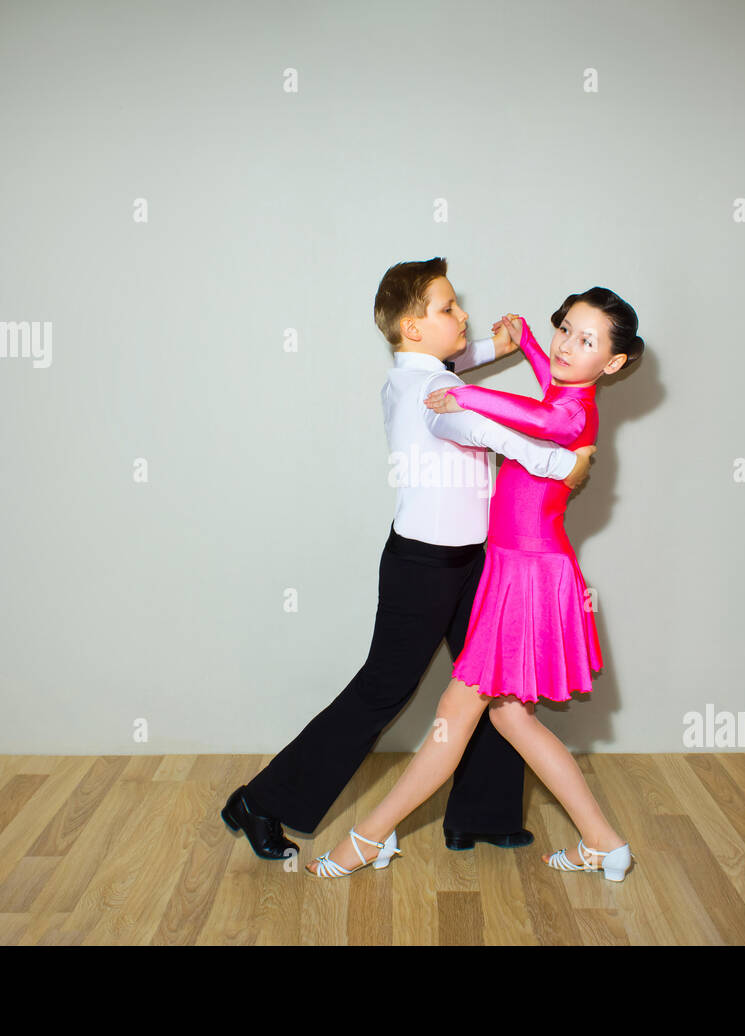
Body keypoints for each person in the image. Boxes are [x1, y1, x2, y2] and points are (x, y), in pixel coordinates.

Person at [222, 257, 596, 860]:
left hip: (471, 560)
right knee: (382, 691)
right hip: (423, 567)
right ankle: (262, 801)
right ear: (415, 328)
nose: (463, 314)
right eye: (448, 308)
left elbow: (446, 362)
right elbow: (480, 426)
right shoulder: (436, 396)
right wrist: (562, 464)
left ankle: (480, 815)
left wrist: (490, 346)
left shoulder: (410, 374)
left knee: (493, 682)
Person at [307, 289, 644, 883]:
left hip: (528, 575)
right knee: (512, 719)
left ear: (613, 363)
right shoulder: (568, 389)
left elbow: (539, 419)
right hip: (517, 569)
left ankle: (367, 839)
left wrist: (465, 392)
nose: (567, 344)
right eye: (564, 328)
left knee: (453, 716)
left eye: (586, 340)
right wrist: (533, 344)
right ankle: (604, 843)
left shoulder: (570, 412)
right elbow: (551, 378)